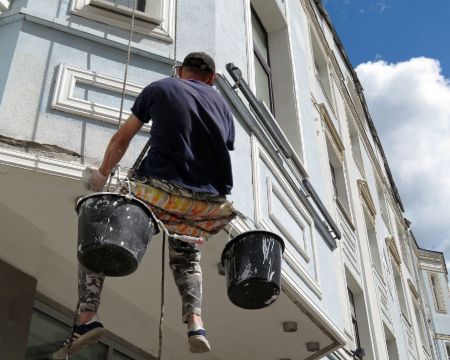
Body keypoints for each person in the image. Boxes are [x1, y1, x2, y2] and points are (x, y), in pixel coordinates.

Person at [53, 52, 236, 359]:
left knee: (99, 230)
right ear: (212, 79)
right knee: (187, 256)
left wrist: (102, 174)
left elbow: (122, 138)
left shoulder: (161, 88)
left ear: (180, 71)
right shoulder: (224, 109)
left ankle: (86, 318)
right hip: (206, 203)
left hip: (158, 189)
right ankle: (195, 322)